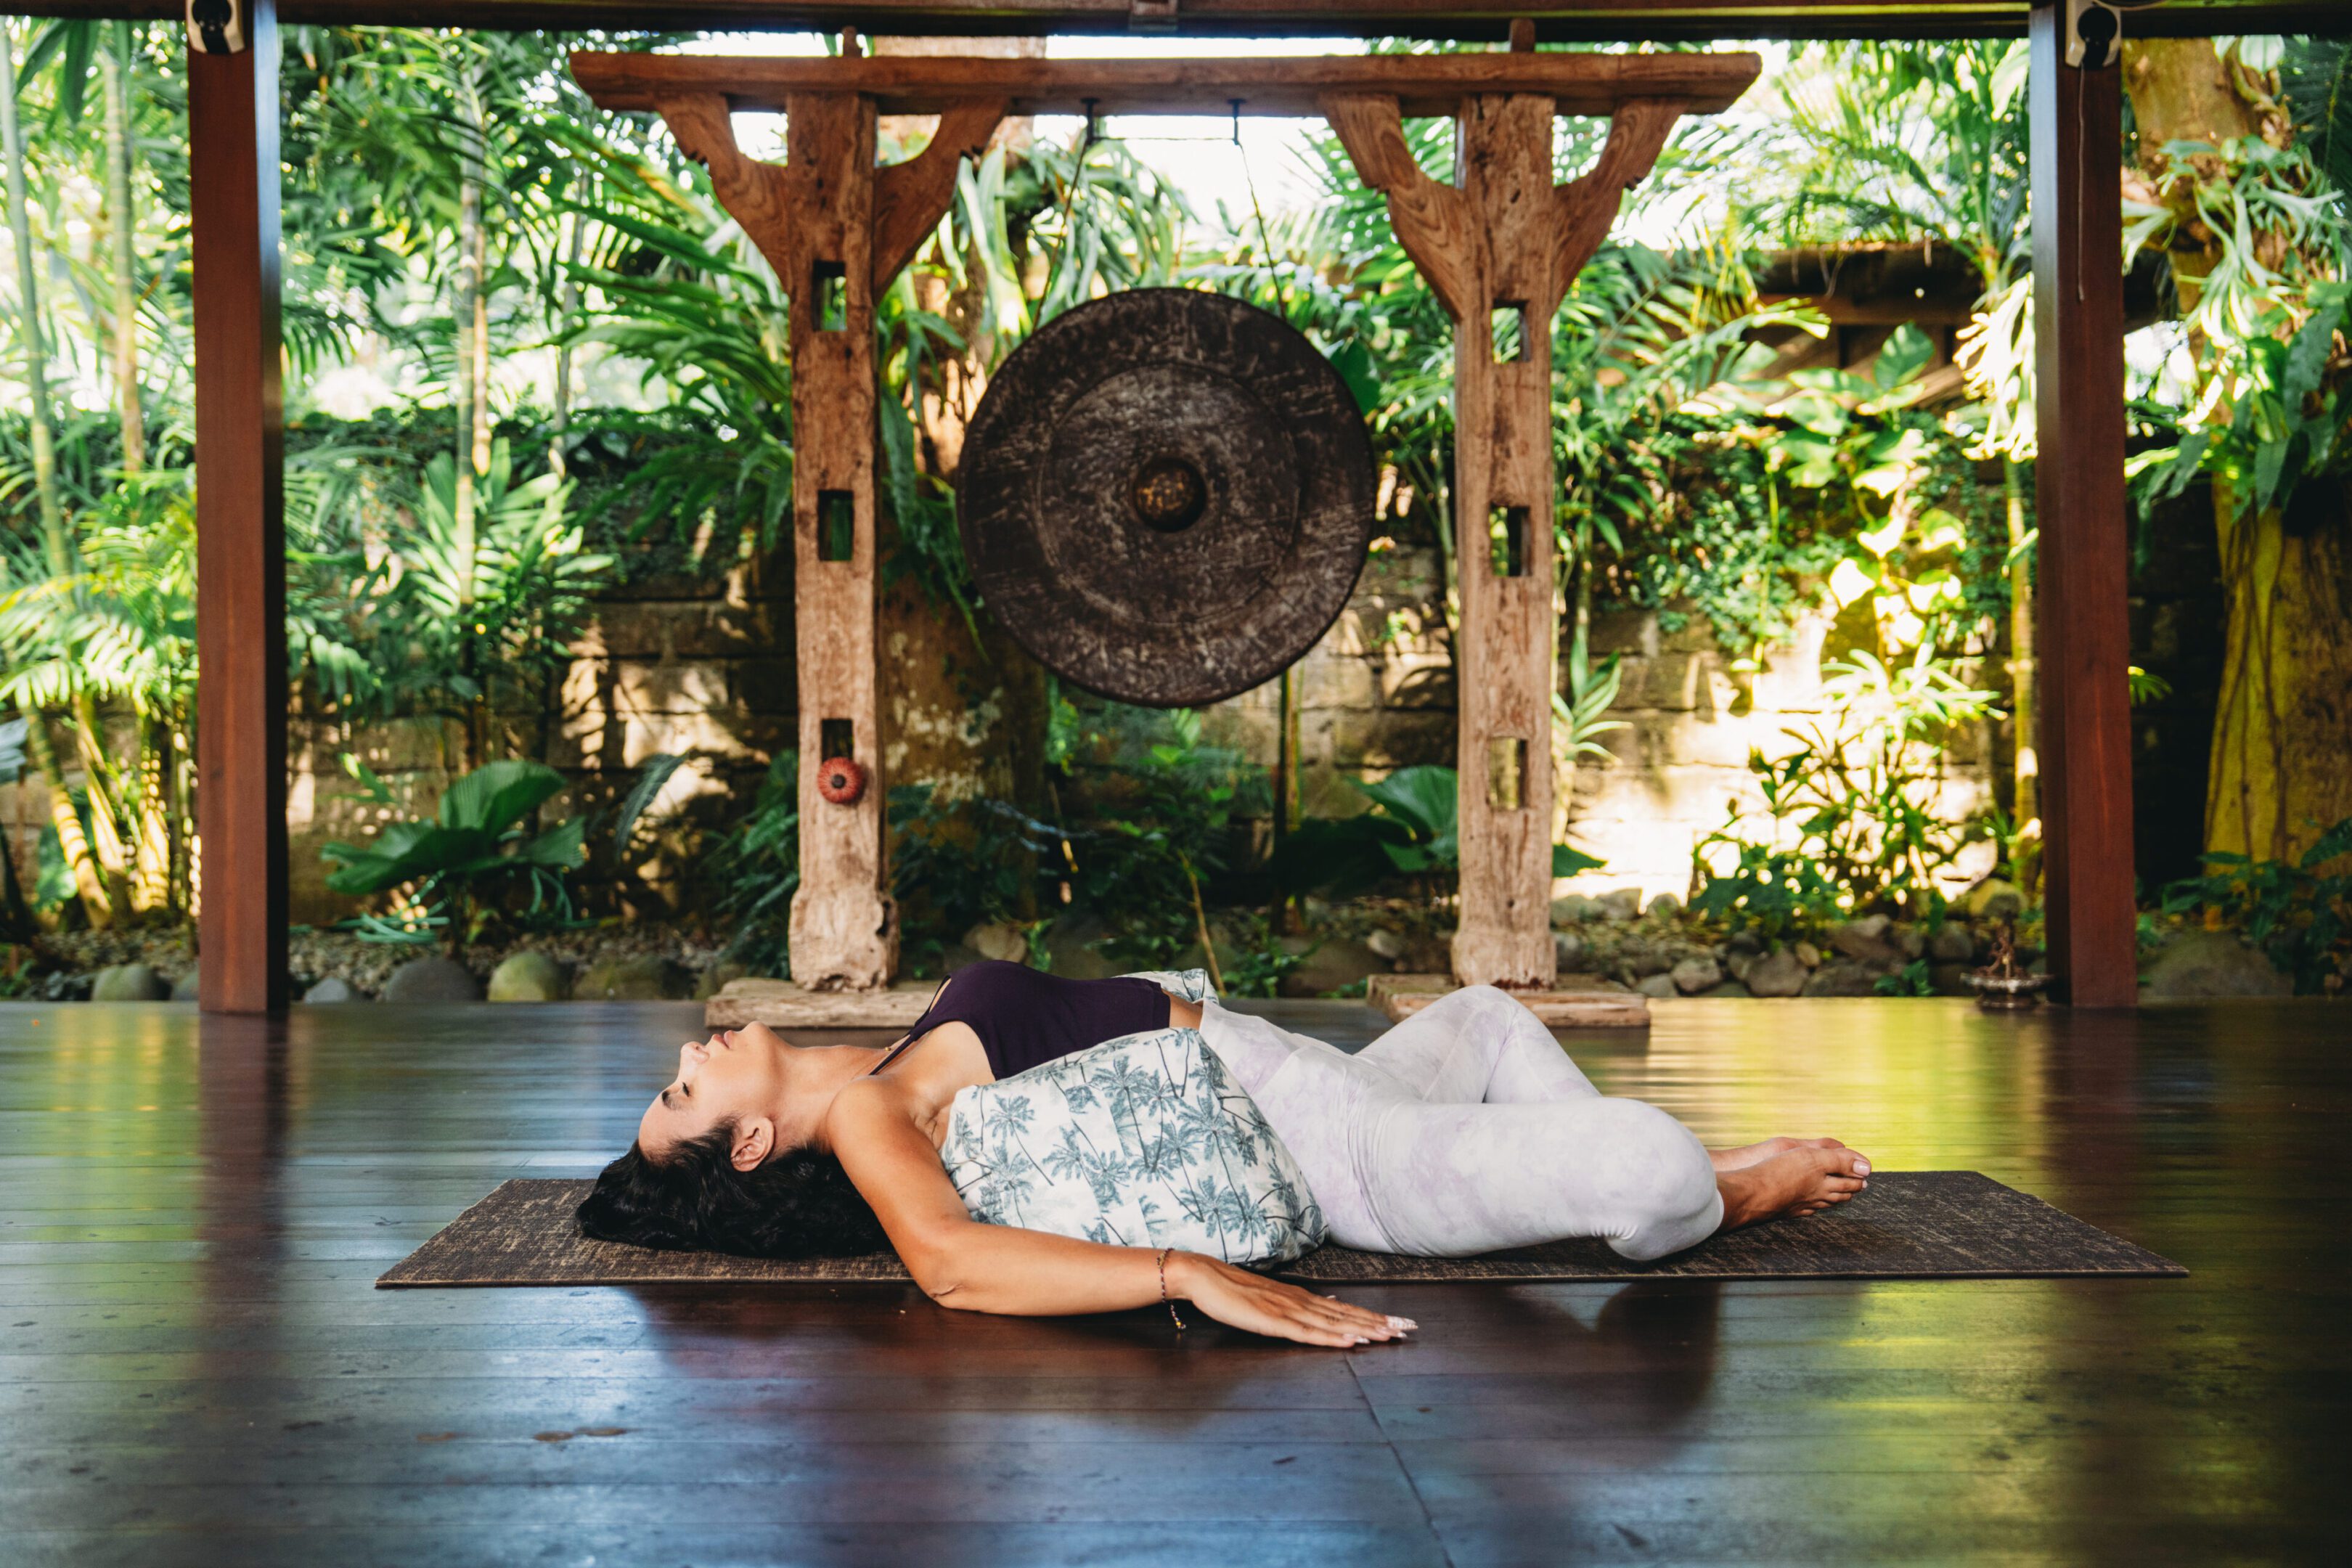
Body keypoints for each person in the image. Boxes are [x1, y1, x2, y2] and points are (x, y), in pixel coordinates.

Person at [578, 960, 1870, 1347]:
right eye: (684, 1090)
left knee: (1485, 1015)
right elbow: (953, 1263)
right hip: (1343, 1161)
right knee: (1645, 1167)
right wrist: (1178, 1273)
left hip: (1327, 1079)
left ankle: (1664, 1177)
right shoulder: (866, 1119)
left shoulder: (877, 1073)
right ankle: (1721, 1192)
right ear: (748, 1143)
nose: (691, 1053)